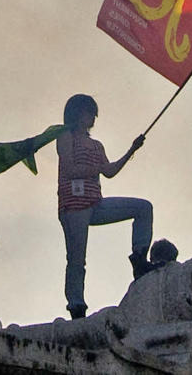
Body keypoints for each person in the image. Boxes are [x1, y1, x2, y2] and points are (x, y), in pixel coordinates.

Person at [57, 93, 152, 319]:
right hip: (74, 205)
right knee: (77, 258)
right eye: (90, 113)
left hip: (95, 202)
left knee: (143, 208)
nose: (93, 118)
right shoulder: (65, 136)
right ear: (79, 113)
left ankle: (139, 258)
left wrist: (132, 150)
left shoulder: (97, 145)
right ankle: (76, 304)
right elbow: (70, 169)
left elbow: (109, 171)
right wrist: (96, 170)